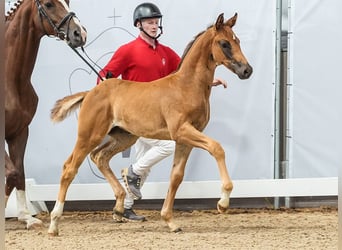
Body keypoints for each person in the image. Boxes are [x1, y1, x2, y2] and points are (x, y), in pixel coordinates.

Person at [98, 2, 227, 222]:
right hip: (136, 114)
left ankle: (124, 209)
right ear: (138, 24)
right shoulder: (127, 50)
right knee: (168, 145)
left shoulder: (166, 52)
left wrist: (210, 81)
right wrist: (105, 89)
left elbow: (186, 75)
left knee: (143, 169)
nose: (154, 25)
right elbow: (105, 76)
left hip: (160, 114)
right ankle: (132, 174)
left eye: (156, 22)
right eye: (150, 22)